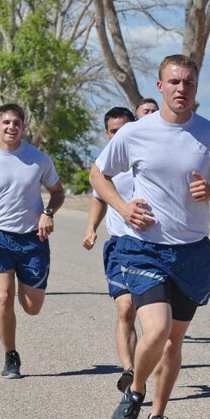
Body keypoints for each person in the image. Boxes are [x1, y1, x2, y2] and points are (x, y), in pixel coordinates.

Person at [91, 54, 210, 419]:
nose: (182, 89)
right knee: (156, 331)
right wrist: (123, 208)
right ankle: (135, 394)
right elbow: (98, 174)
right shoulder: (136, 133)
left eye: (189, 83)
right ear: (160, 86)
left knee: (173, 343)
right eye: (174, 82)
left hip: (191, 252)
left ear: (196, 88)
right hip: (143, 248)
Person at [0, 103, 65, 379]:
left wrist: (48, 213)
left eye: (16, 123)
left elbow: (57, 192)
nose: (10, 127)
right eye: (6, 122)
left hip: (32, 239)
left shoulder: (38, 159)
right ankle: (10, 355)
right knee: (3, 297)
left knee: (32, 307)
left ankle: (24, 294)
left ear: (23, 127)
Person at [84, 106, 139, 392]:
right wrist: (91, 228)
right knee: (125, 309)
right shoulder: (105, 164)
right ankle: (129, 371)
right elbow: (98, 198)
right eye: (114, 132)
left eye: (126, 130)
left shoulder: (146, 157)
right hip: (119, 245)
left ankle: (146, 369)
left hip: (151, 246)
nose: (120, 136)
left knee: (158, 320)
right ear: (107, 134)